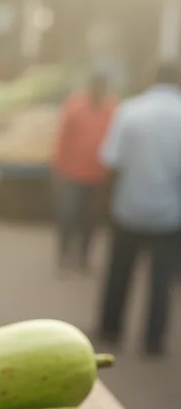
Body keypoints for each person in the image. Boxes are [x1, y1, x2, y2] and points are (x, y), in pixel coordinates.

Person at [98, 59, 181, 355]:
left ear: (151, 76)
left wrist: (106, 201)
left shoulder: (130, 110)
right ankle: (153, 340)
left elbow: (111, 160)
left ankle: (110, 329)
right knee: (161, 280)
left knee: (119, 271)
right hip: (169, 213)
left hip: (129, 208)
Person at [52, 71, 116, 271]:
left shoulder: (112, 109)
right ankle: (63, 257)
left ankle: (83, 258)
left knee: (91, 220)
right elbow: (62, 138)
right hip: (73, 173)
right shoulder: (75, 107)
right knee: (68, 216)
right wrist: (58, 168)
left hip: (98, 175)